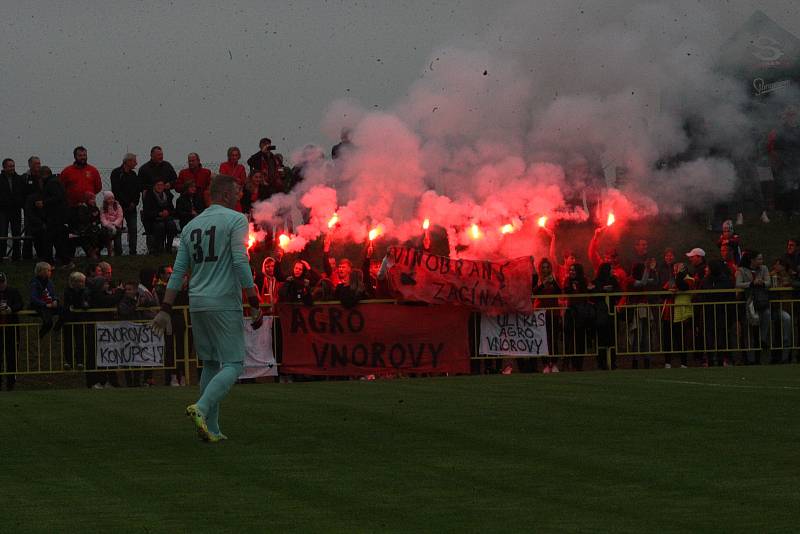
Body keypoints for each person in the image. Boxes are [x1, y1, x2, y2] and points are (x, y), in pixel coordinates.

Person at [151, 174, 263, 443]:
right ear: (225, 194)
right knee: (234, 364)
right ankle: (200, 407)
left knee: (211, 363)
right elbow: (239, 260)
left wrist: (166, 306)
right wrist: (254, 300)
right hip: (223, 300)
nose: (240, 195)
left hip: (198, 301)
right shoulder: (235, 219)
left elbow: (179, 271)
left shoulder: (191, 225)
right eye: (237, 191)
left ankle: (211, 428)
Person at [735, 251, 771, 365]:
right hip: (748, 302)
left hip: (761, 301)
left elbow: (768, 282)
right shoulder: (741, 270)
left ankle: (763, 339)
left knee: (766, 314)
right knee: (748, 331)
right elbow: (738, 284)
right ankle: (750, 359)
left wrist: (762, 282)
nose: (761, 261)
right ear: (752, 260)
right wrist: (751, 283)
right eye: (759, 259)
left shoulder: (764, 268)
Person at [110, 153, 142, 255]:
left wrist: (134, 203)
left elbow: (137, 190)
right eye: (134, 161)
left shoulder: (133, 175)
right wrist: (127, 202)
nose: (136, 163)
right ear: (127, 162)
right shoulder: (116, 173)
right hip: (119, 207)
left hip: (131, 208)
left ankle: (133, 251)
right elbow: (116, 190)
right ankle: (118, 252)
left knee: (133, 229)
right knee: (118, 229)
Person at [0, 272, 23, 391]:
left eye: (2, 282)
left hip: (11, 328)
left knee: (11, 355)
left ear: (5, 281)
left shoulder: (13, 291)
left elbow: (20, 304)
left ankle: (11, 382)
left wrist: (11, 309)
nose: (1, 285)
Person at [141, 179, 178, 254]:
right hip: (153, 220)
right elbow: (147, 212)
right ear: (154, 186)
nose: (160, 187)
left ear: (164, 186)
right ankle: (158, 248)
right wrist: (159, 213)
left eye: (161, 185)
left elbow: (172, 209)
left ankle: (169, 247)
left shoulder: (167, 195)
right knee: (160, 226)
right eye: (158, 185)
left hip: (166, 218)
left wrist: (168, 212)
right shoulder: (149, 196)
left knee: (172, 225)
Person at [0, 158, 26, 261]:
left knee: (17, 234)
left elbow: (23, 193)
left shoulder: (19, 179)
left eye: (13, 166)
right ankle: (2, 256)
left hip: (16, 210)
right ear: (4, 167)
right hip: (2, 210)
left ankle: (16, 256)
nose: (12, 168)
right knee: (2, 234)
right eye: (10, 166)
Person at [29, 262, 64, 338]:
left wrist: (55, 300)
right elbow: (33, 297)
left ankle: (56, 329)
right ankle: (40, 336)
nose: (50, 272)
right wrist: (45, 304)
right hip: (42, 306)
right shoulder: (35, 283)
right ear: (41, 271)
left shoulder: (49, 282)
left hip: (50, 304)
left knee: (64, 312)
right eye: (48, 270)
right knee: (48, 322)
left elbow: (53, 294)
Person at [99, 192, 124, 256]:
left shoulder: (118, 206)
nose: (111, 200)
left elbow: (120, 216)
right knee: (105, 233)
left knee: (117, 238)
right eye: (109, 199)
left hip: (117, 226)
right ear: (105, 200)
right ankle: (110, 250)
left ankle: (118, 252)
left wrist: (114, 224)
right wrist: (108, 225)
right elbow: (102, 218)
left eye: (112, 198)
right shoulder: (103, 207)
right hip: (107, 226)